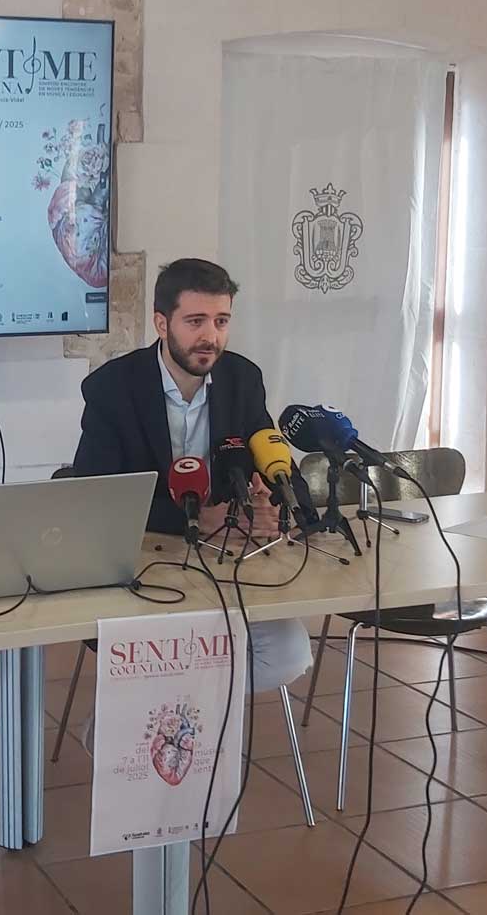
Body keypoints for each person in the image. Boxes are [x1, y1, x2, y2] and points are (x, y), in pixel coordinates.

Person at [70, 258, 312, 688]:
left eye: (221, 321)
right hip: (142, 563)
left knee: (289, 653)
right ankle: (152, 735)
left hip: (226, 565)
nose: (210, 337)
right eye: (196, 321)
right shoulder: (112, 388)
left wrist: (273, 506)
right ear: (161, 324)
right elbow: (95, 498)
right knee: (174, 653)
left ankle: (183, 726)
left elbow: (277, 463)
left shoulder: (242, 379)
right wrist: (195, 520)